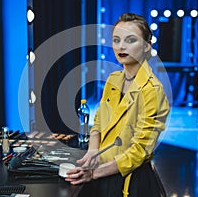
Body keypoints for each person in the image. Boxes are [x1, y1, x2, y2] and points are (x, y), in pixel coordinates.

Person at [65, 13, 170, 197]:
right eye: (116, 40)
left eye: (130, 40)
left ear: (147, 46)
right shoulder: (113, 80)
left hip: (129, 180)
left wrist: (93, 173)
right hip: (100, 172)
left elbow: (139, 152)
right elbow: (98, 121)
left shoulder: (152, 90)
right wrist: (92, 151)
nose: (121, 46)